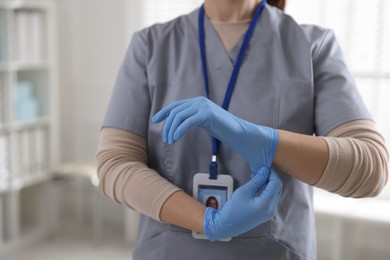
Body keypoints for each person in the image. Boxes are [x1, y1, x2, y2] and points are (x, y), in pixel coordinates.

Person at [96, 0, 389, 259]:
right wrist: (207, 221)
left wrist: (264, 140)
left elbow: (372, 169)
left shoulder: (312, 45)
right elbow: (114, 163)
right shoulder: (150, 45)